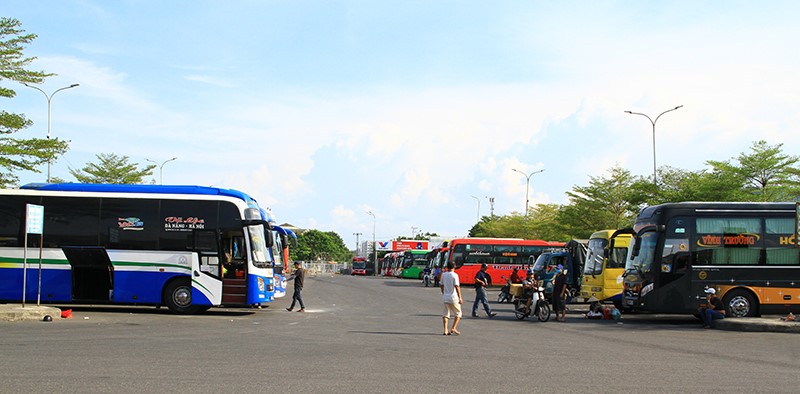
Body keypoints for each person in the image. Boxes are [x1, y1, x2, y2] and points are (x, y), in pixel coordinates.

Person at [440, 261, 463, 335]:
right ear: (454, 267)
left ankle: (445, 330)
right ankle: (453, 328)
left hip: (446, 297)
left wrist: (443, 292)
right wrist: (460, 297)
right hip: (453, 297)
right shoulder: (455, 275)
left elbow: (441, 285)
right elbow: (457, 286)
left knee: (446, 314)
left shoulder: (443, 275)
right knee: (458, 313)